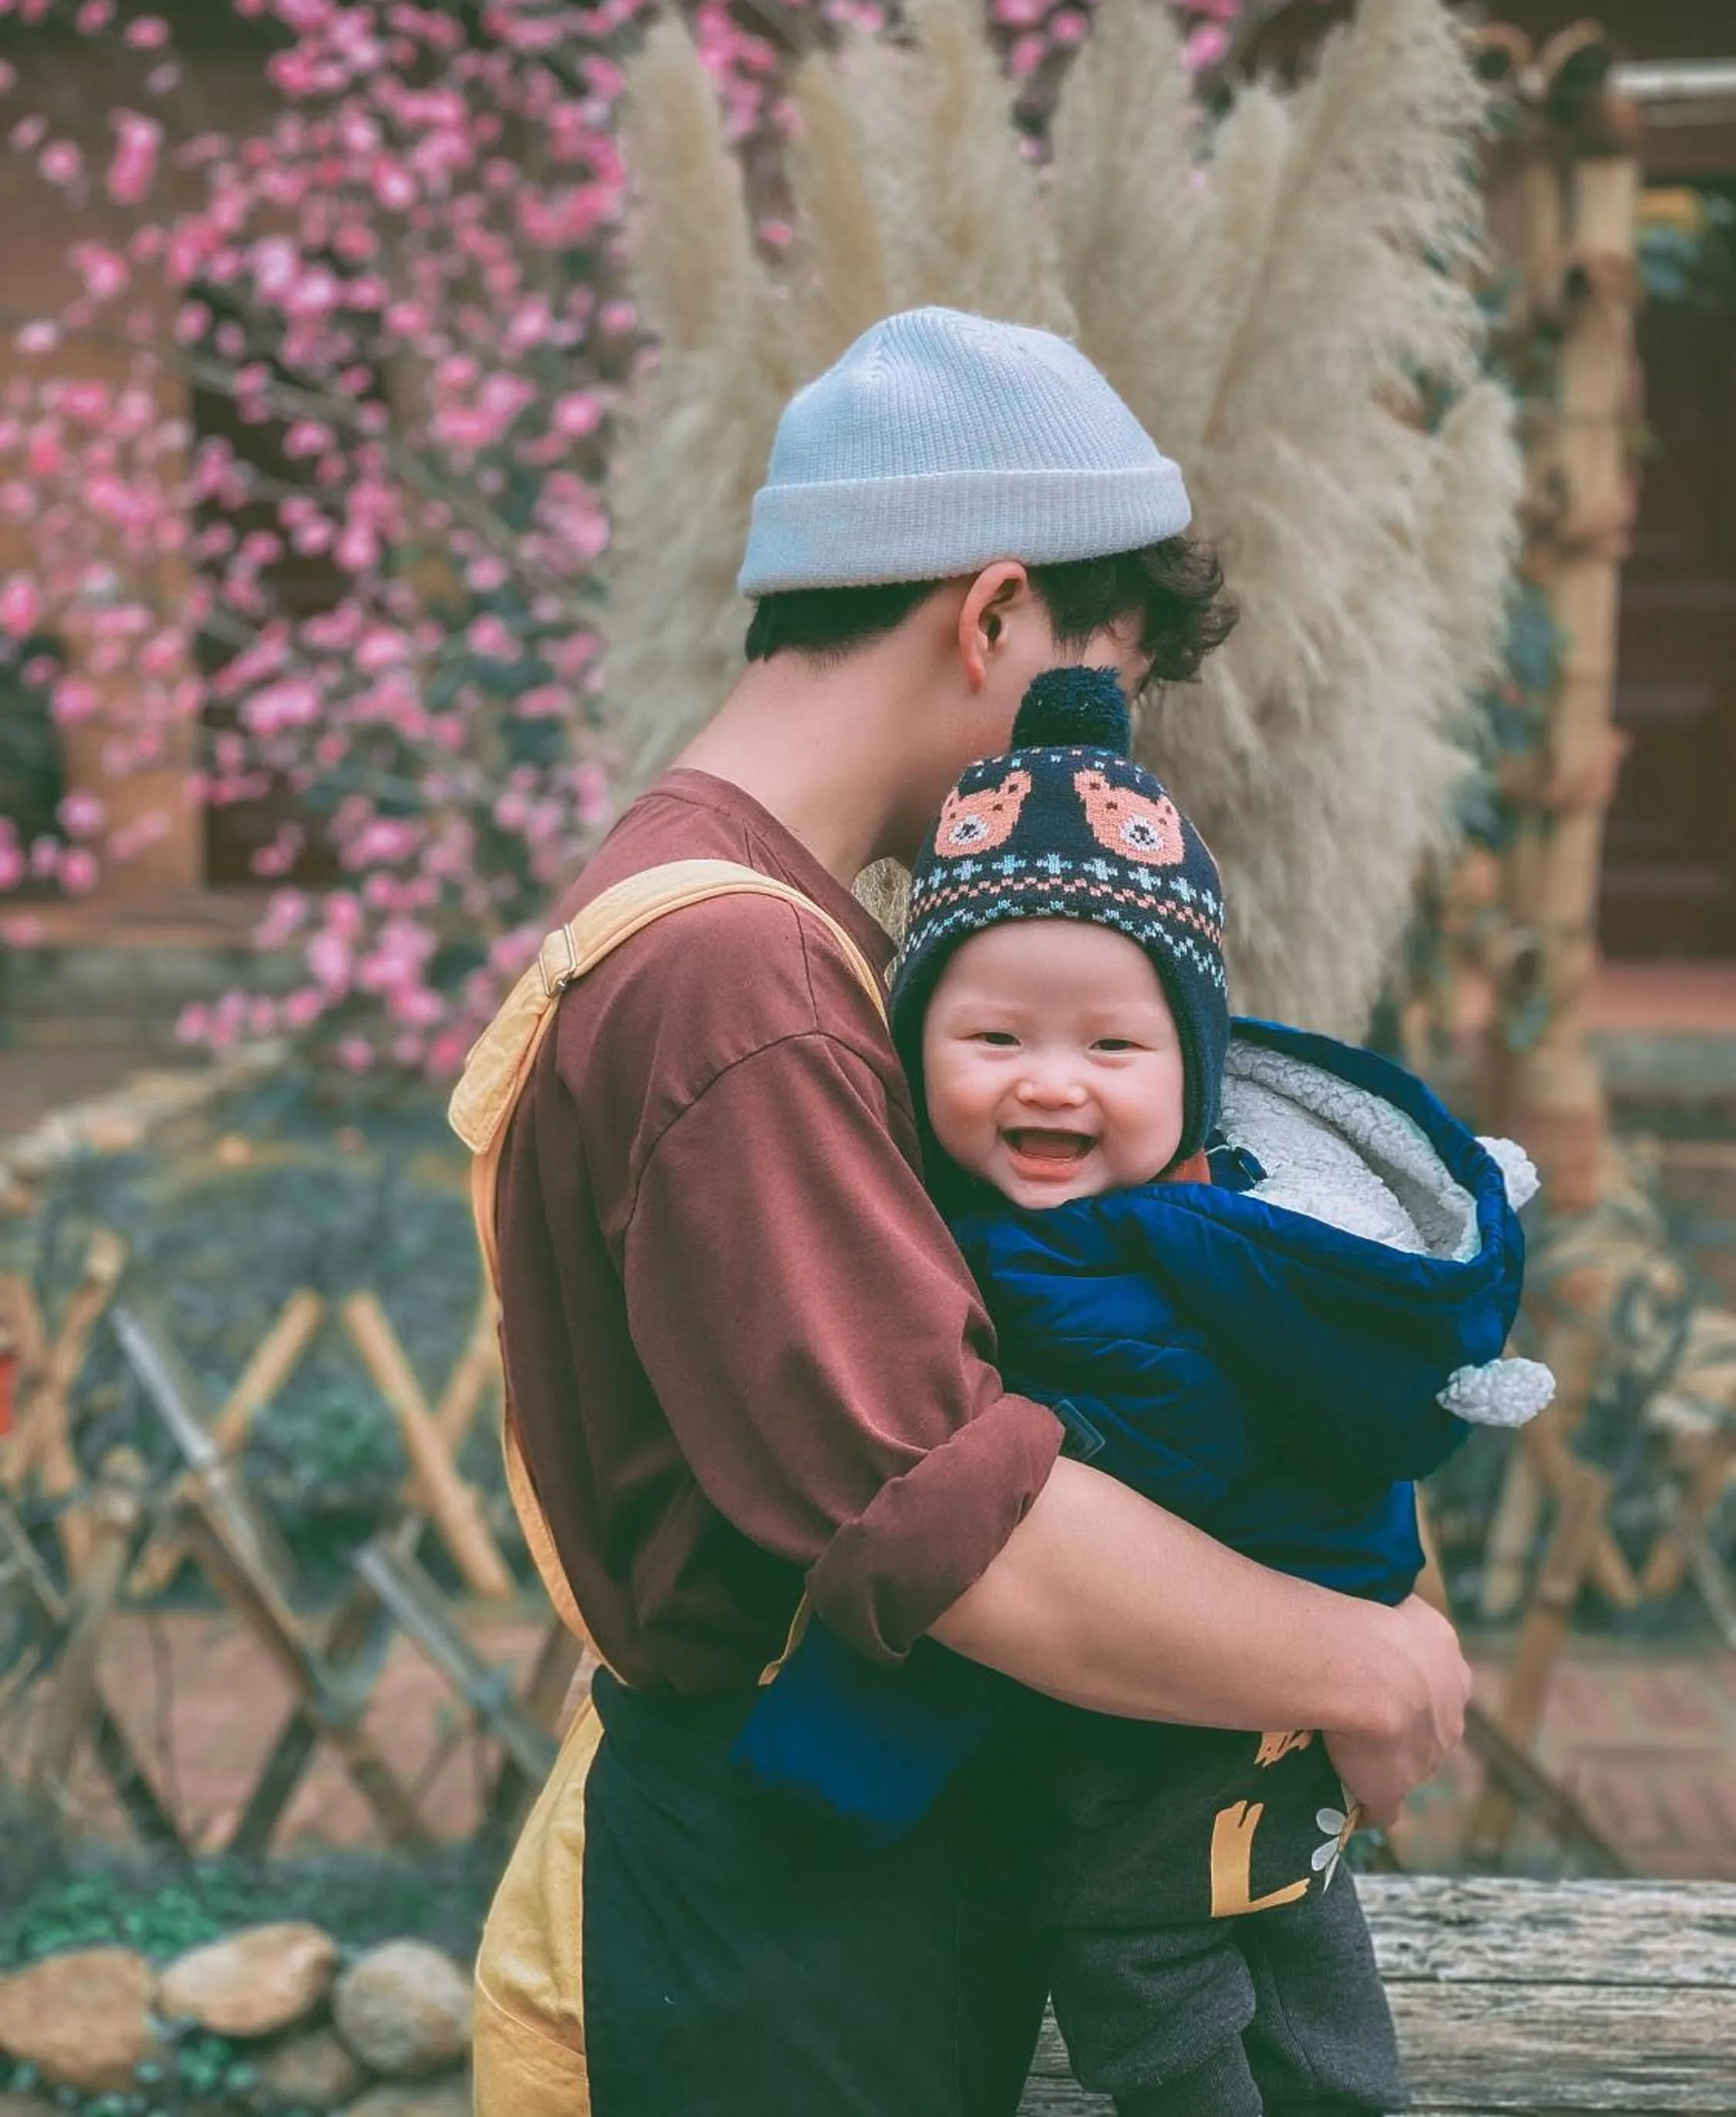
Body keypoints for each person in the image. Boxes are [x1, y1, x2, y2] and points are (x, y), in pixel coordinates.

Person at [470, 306, 1472, 2117]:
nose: (1096, 768)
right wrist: (1366, 1657)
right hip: (744, 1954)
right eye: (1100, 673)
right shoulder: (740, 976)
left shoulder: (755, 916)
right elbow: (959, 1530)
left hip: (787, 1911)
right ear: (992, 611)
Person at [737, 663, 1553, 2115]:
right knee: (1259, 1980)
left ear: (1193, 1067)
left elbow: (1114, 1467)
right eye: (993, 1039)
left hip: (1164, 1725)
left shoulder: (1162, 1255)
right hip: (1225, 1712)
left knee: (1181, 1984)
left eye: (1112, 1046)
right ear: (910, 1046)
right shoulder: (958, 1241)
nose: (1052, 1082)